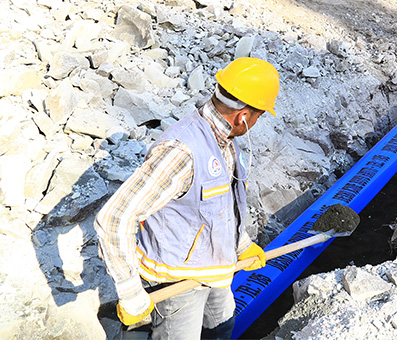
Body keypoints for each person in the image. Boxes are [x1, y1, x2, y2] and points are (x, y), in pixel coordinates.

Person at [95, 57, 280, 339]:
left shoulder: (225, 138)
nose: (256, 123)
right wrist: (131, 292)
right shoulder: (182, 151)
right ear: (244, 116)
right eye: (259, 115)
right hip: (176, 282)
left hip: (215, 270)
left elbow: (219, 204)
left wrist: (241, 244)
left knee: (221, 329)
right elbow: (113, 218)